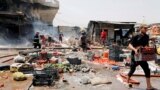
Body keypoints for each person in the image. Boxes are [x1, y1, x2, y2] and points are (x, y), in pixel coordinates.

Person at [127, 25, 156, 90]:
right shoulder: (136, 35)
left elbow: (146, 45)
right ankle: (127, 82)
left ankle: (149, 86)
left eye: (147, 28)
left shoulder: (146, 36)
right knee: (132, 69)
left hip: (142, 56)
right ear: (141, 29)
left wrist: (148, 48)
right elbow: (129, 45)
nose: (146, 29)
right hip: (135, 55)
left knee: (147, 69)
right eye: (145, 28)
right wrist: (135, 50)